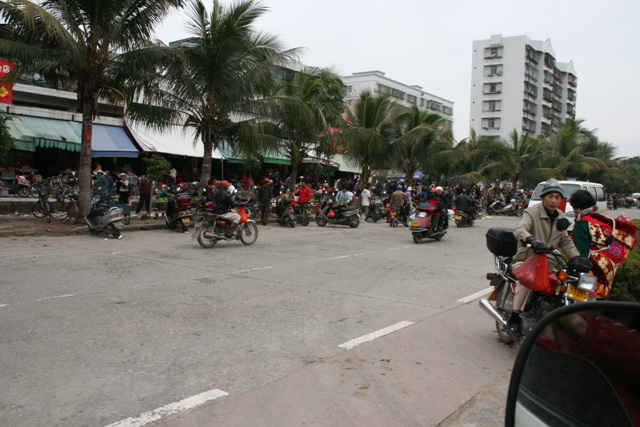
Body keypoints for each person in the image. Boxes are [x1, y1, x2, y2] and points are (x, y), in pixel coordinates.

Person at [509, 178, 581, 340]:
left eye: (557, 197)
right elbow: (520, 229)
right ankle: (514, 317)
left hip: (548, 264)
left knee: (567, 282)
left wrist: (576, 258)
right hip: (528, 261)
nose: (554, 200)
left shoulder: (560, 216)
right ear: (543, 197)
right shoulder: (532, 212)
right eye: (550, 196)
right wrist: (531, 239)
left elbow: (565, 241)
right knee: (527, 279)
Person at [569, 189, 637, 298]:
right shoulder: (596, 219)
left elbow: (581, 251)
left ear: (576, 208)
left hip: (594, 269)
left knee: (583, 298)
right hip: (608, 265)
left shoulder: (583, 223)